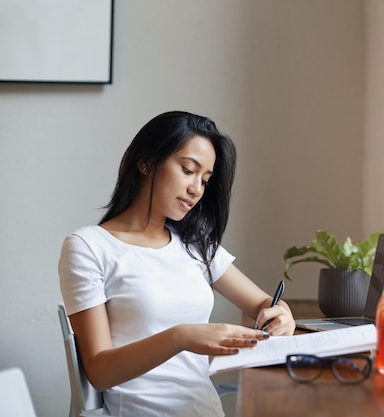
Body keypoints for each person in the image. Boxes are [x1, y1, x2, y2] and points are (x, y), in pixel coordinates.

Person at [58, 111, 295, 417]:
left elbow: (263, 302)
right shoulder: (89, 246)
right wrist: (182, 337)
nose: (196, 188)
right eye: (187, 170)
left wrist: (283, 314)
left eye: (205, 180)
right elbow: (101, 371)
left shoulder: (195, 243)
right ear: (145, 162)